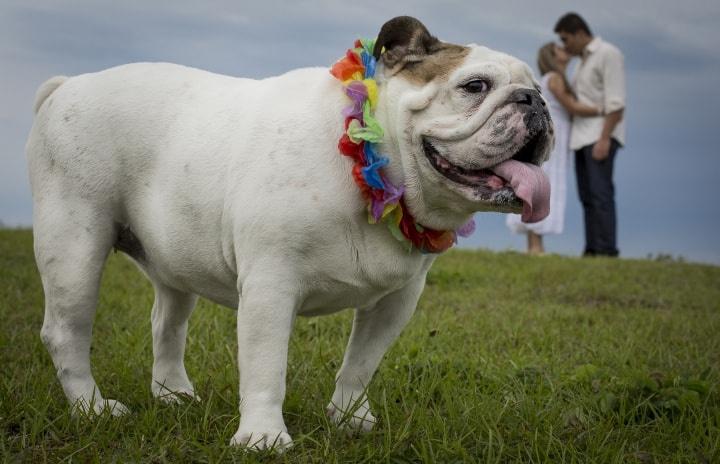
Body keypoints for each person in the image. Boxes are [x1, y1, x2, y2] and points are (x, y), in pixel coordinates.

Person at [507, 43, 602, 255]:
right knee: (547, 185)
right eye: (559, 49)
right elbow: (572, 107)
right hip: (555, 139)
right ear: (552, 56)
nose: (565, 50)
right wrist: (602, 109)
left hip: (553, 137)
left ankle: (534, 245)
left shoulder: (548, 79)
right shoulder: (555, 78)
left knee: (540, 185)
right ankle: (536, 246)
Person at [555, 12, 626, 257]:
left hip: (599, 135)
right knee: (587, 195)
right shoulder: (581, 62)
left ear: (580, 33)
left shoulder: (608, 53)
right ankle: (593, 248)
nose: (565, 45)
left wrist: (605, 138)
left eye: (566, 39)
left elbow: (616, 103)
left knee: (600, 194)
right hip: (582, 136)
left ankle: (607, 249)